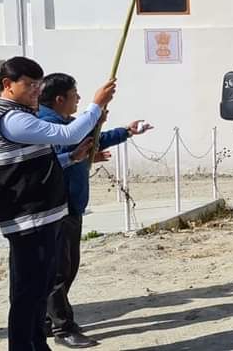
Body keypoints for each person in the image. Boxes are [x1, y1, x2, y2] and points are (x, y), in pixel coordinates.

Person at [0, 57, 115, 351]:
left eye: (37, 85)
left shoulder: (21, 114)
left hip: (43, 217)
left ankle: (36, 346)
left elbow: (36, 162)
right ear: (8, 85)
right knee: (28, 294)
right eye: (29, 85)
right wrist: (96, 105)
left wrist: (73, 158)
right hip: (29, 220)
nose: (35, 91)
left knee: (38, 292)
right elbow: (68, 133)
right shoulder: (12, 119)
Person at [38, 73, 151, 348]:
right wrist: (96, 109)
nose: (78, 98)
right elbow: (69, 145)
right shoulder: (47, 125)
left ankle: (43, 318)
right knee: (58, 272)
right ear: (59, 99)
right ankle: (63, 327)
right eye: (75, 94)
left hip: (71, 207)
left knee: (66, 268)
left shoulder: (62, 123)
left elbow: (88, 140)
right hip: (57, 209)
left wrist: (124, 131)